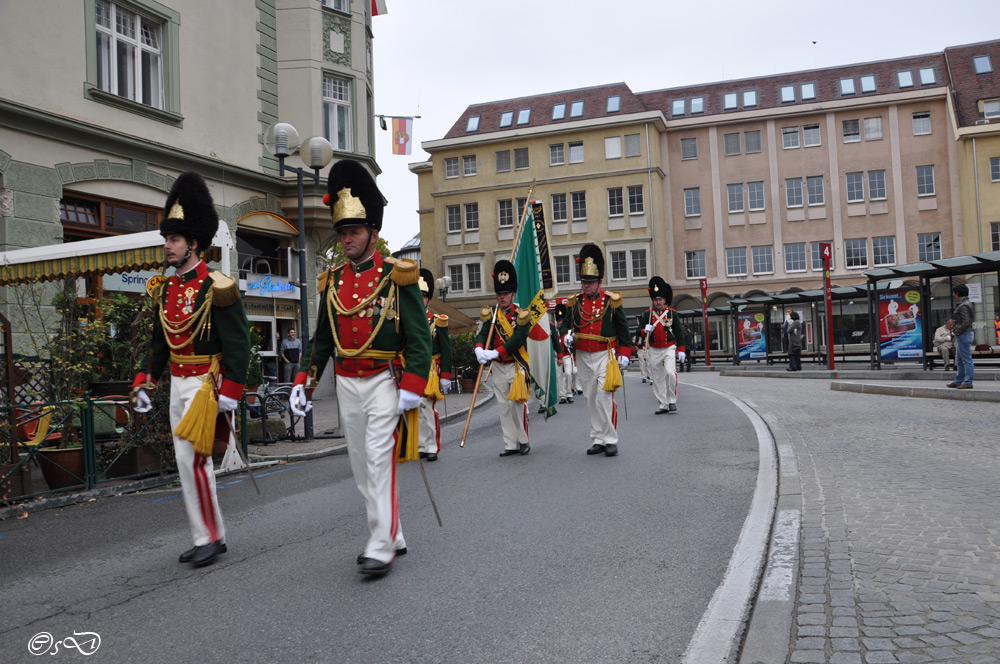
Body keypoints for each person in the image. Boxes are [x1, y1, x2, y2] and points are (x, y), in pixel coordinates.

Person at [289, 159, 430, 577]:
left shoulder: (397, 277)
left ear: (372, 232)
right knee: (359, 465)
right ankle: (393, 532)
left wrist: (413, 384)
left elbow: (419, 339)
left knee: (378, 460)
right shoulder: (331, 282)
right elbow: (321, 340)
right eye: (343, 232)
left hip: (385, 381)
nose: (346, 239)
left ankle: (381, 543)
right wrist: (304, 381)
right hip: (348, 383)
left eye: (353, 231)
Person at [131, 172, 251, 568]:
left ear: (193, 243)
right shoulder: (165, 289)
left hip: (205, 384)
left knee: (197, 460)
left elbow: (238, 345)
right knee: (186, 463)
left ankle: (210, 537)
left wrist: (231, 391)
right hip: (178, 382)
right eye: (167, 239)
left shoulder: (217, 286)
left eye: (174, 240)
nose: (167, 246)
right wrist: (145, 381)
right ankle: (205, 534)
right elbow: (159, 344)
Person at [559, 243, 631, 457]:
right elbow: (564, 325)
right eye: (583, 282)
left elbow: (623, 329)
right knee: (590, 398)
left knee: (603, 396)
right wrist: (566, 336)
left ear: (599, 281)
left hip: (604, 355)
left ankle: (610, 439)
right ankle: (598, 438)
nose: (586, 286)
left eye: (590, 282)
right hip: (582, 355)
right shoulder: (575, 302)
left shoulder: (611, 301)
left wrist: (625, 352)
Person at [475, 259, 531, 457]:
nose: (502, 298)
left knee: (516, 405)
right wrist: (479, 348)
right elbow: (483, 335)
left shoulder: (522, 315)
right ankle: (510, 444)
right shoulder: (491, 315)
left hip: (516, 365)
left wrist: (497, 351)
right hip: (498, 367)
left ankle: (523, 440)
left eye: (506, 294)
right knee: (503, 406)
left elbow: (517, 339)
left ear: (513, 294)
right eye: (499, 294)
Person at [417, 268, 452, 462]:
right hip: (414, 369)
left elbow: (446, 349)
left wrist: (446, 374)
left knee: (428, 409)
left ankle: (432, 446)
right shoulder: (409, 321)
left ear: (428, 301)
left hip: (431, 370)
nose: (419, 300)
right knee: (418, 410)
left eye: (422, 297)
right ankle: (421, 444)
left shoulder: (437, 322)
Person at [638, 277, 685, 414]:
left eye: (660, 299)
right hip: (654, 349)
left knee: (670, 373)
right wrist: (643, 330)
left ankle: (671, 401)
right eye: (655, 300)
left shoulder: (672, 313)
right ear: (652, 301)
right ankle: (663, 404)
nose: (658, 302)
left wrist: (681, 349)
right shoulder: (647, 315)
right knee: (657, 378)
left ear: (664, 300)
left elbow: (678, 332)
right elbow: (637, 331)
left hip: (669, 347)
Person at [947, 284, 975, 389]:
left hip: (964, 334)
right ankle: (958, 381)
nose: (954, 296)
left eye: (955, 293)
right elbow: (965, 320)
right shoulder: (967, 303)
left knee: (966, 359)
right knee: (959, 359)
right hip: (964, 334)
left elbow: (966, 322)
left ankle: (968, 382)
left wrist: (955, 331)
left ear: (958, 294)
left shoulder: (963, 305)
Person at [552, 303, 573, 404]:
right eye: (559, 320)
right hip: (557, 355)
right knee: (559, 376)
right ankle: (562, 396)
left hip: (567, 355)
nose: (560, 322)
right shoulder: (553, 330)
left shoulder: (567, 331)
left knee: (568, 373)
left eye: (562, 320)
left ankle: (569, 393)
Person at [634, 316, 650, 383]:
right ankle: (644, 377)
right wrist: (639, 343)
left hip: (648, 349)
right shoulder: (639, 331)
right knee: (642, 364)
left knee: (649, 363)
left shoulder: (649, 330)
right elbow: (636, 342)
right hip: (641, 349)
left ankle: (650, 376)